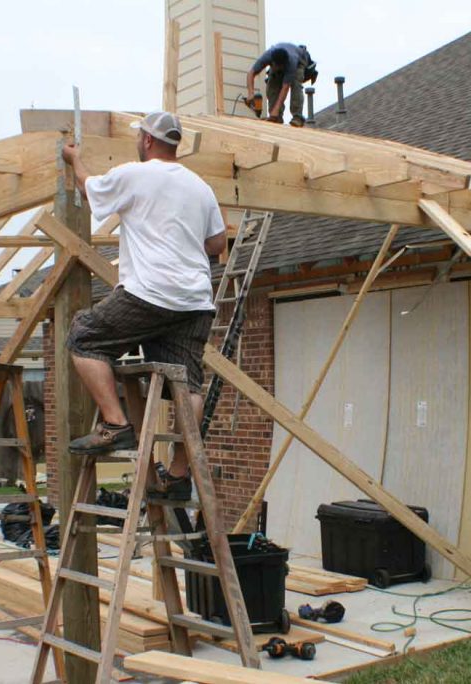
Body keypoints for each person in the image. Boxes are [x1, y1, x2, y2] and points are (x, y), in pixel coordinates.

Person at [60, 111, 227, 499]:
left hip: (150, 294)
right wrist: (183, 245)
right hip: (195, 302)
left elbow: (91, 190)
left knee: (84, 336)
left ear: (148, 141)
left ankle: (116, 424)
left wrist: (75, 161)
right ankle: (179, 474)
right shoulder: (200, 187)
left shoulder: (136, 174)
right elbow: (218, 244)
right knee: (188, 383)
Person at [247, 43, 312, 127]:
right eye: (277, 67)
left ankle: (297, 117)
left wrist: (276, 110)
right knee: (272, 85)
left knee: (296, 85)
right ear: (272, 63)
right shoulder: (267, 57)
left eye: (280, 68)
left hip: (300, 60)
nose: (279, 69)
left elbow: (285, 88)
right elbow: (251, 73)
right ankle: (276, 118)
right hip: (282, 59)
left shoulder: (291, 63)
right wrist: (250, 93)